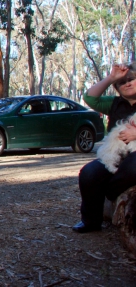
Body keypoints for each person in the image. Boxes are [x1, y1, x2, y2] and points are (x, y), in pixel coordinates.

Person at [73, 62, 136, 233]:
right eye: (122, 82)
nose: (127, 83)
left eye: (132, 79)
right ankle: (90, 221)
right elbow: (90, 98)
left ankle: (109, 192)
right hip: (115, 155)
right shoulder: (114, 103)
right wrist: (110, 78)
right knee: (89, 173)